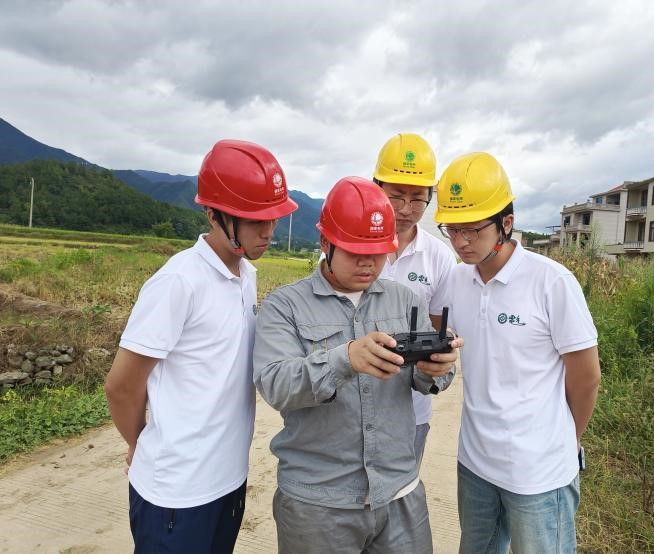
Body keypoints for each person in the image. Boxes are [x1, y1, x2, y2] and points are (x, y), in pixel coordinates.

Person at [104, 140, 298, 553]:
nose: (268, 231)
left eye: (273, 218)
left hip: (228, 480)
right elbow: (121, 386)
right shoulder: (178, 282)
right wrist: (140, 444)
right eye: (254, 220)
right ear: (214, 214)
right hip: (177, 493)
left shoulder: (246, 275)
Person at [253, 177, 462, 554]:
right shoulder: (285, 306)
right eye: (354, 251)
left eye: (378, 252)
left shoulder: (405, 300)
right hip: (318, 502)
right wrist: (344, 359)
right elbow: (275, 384)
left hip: (399, 491)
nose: (368, 263)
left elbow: (428, 378)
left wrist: (436, 369)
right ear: (325, 243)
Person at [434, 153, 601, 553]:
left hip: (539, 474)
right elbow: (436, 334)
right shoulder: (455, 280)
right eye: (452, 229)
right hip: (475, 465)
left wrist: (565, 440)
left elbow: (586, 377)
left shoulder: (551, 282)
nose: (460, 241)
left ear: (506, 223)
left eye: (472, 230)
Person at [373, 132, 457, 464]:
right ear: (376, 187)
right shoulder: (349, 246)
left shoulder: (440, 257)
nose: (406, 209)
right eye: (396, 196)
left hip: (412, 407)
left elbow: (436, 330)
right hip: (352, 406)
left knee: (402, 491)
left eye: (418, 199)